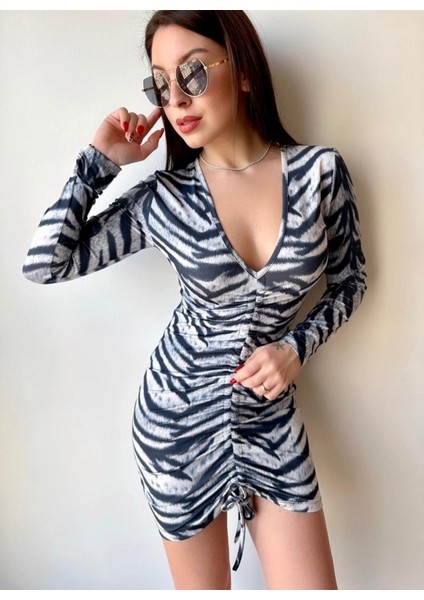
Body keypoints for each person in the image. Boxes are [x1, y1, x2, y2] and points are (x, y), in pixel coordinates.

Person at [22, 10, 366, 590]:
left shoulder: (320, 174)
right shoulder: (163, 200)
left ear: (245, 71)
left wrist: (295, 347)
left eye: (193, 73)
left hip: (269, 420)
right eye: (161, 84)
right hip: (174, 428)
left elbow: (350, 281)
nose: (177, 98)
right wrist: (99, 163)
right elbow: (44, 264)